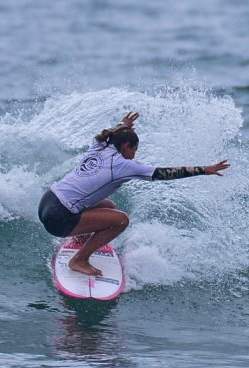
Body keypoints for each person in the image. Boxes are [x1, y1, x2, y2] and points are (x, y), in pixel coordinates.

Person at [38, 112, 230, 276]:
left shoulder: (99, 145)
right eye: (134, 149)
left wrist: (123, 126)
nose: (134, 155)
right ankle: (79, 260)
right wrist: (204, 170)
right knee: (120, 220)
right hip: (59, 218)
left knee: (109, 207)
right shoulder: (123, 165)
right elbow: (163, 174)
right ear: (126, 146)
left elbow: (111, 135)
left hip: (48, 201)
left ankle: (79, 238)